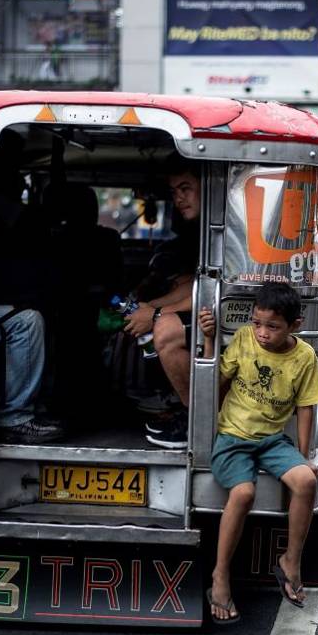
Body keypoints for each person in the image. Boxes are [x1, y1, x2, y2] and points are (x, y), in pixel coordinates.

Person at [198, 283, 318, 624]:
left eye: (273, 326)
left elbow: (306, 407)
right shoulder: (243, 339)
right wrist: (209, 339)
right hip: (233, 438)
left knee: (305, 481)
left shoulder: (304, 357)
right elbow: (215, 379)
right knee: (243, 493)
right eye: (257, 323)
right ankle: (220, 575)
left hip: (272, 441)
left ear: (295, 325)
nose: (262, 333)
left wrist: (303, 456)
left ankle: (291, 561)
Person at [0, 145, 64, 444]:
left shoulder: (8, 208)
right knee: (28, 322)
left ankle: (38, 406)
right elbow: (37, 221)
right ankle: (14, 418)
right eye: (16, 174)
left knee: (44, 315)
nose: (21, 182)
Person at [122, 164, 202, 447]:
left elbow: (207, 291)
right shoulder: (196, 233)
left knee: (166, 329)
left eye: (185, 189)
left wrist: (155, 314)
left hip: (230, 320)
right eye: (174, 192)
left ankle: (196, 421)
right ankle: (173, 398)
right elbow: (190, 285)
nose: (178, 198)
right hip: (206, 311)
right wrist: (146, 307)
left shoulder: (225, 231)